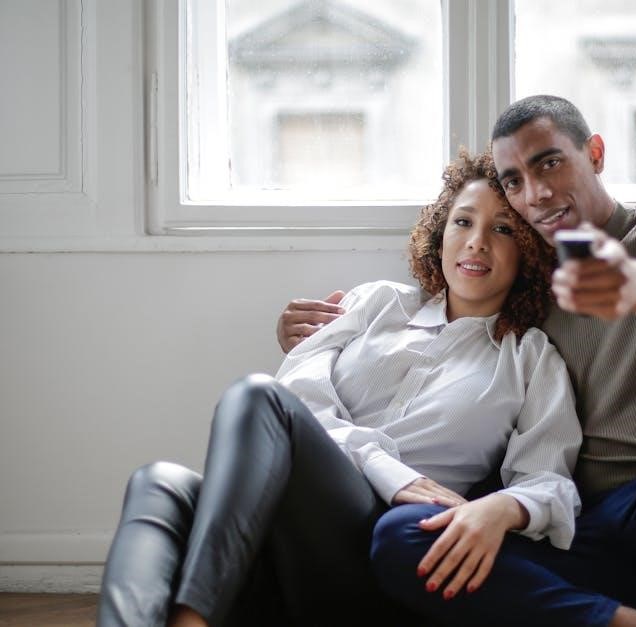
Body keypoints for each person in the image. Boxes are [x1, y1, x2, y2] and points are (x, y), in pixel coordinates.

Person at [280, 96, 636, 627]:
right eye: (514, 181)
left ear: (595, 153)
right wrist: (317, 339)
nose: (535, 194)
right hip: (582, 538)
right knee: (405, 536)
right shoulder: (523, 287)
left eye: (549, 163)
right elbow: (452, 342)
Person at [96, 150, 584, 627]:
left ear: (528, 250)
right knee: (158, 482)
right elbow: (297, 394)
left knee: (255, 395)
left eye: (503, 229)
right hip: (278, 534)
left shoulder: (530, 358)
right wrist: (384, 468)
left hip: (378, 548)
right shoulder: (376, 303)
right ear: (440, 237)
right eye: (463, 222)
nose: (476, 242)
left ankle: (193, 617)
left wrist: (503, 509)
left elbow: (550, 483)